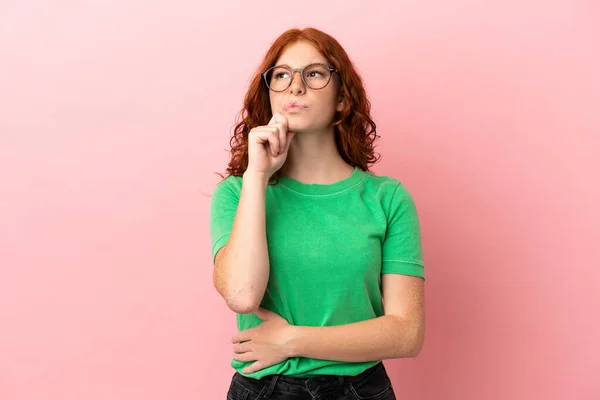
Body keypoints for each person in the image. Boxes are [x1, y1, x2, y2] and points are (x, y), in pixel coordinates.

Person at [210, 27, 425, 400]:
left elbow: (407, 333)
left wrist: (291, 341)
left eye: (314, 73)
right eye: (281, 75)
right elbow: (242, 295)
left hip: (361, 389)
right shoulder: (236, 193)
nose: (295, 86)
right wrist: (258, 176)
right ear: (269, 93)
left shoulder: (387, 198)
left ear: (342, 97)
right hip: (265, 388)